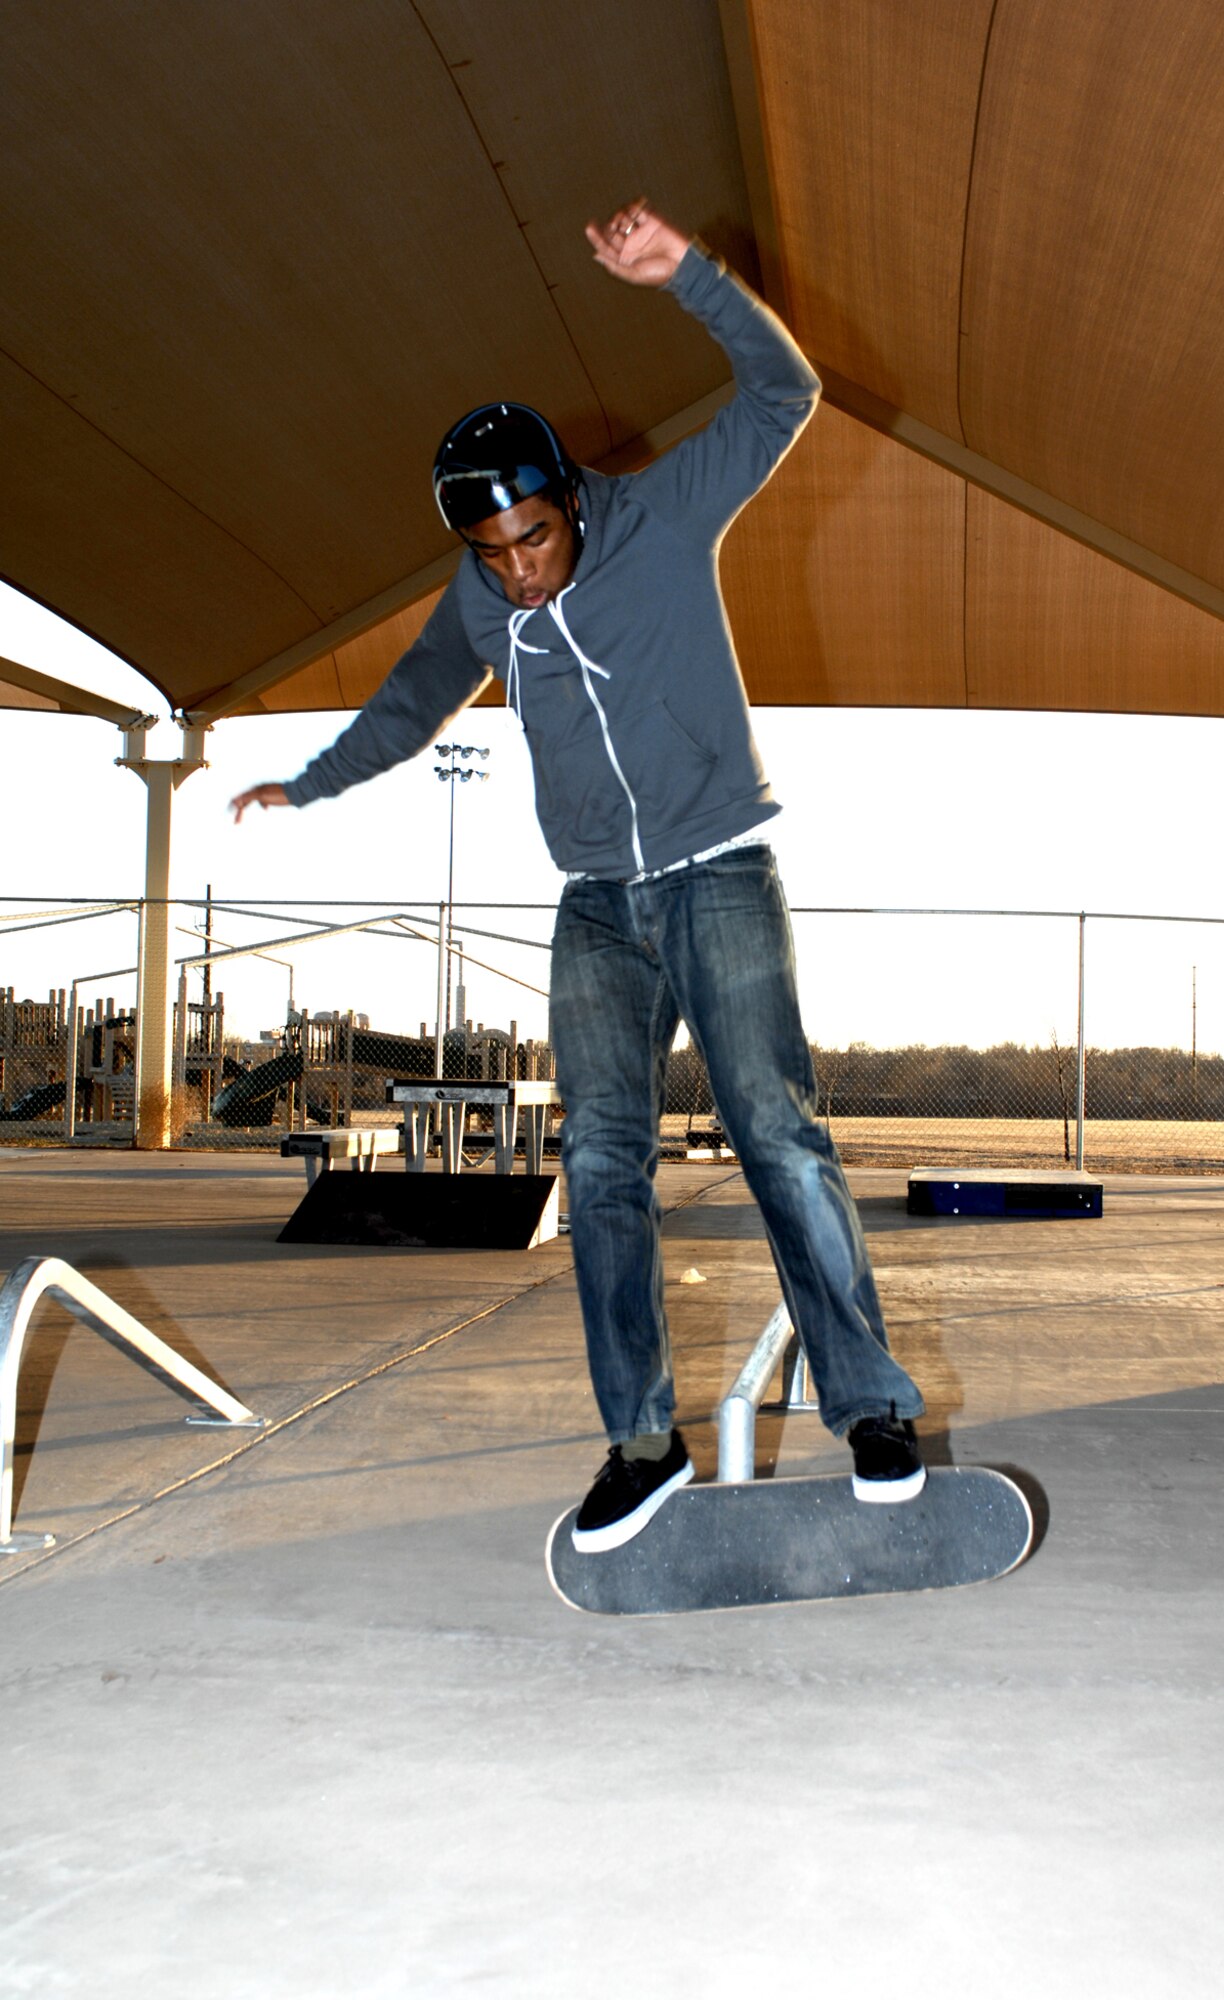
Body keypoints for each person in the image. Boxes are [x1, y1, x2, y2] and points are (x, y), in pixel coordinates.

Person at [232, 199, 925, 1552]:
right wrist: (305, 783)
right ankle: (638, 1442)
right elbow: (413, 699)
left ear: (572, 498)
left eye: (534, 541)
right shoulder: (484, 597)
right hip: (596, 906)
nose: (519, 577)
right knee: (598, 1167)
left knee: (777, 1137)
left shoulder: (665, 512)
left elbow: (786, 389)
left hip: (718, 873)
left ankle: (871, 1408)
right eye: (492, 558)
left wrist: (691, 280)